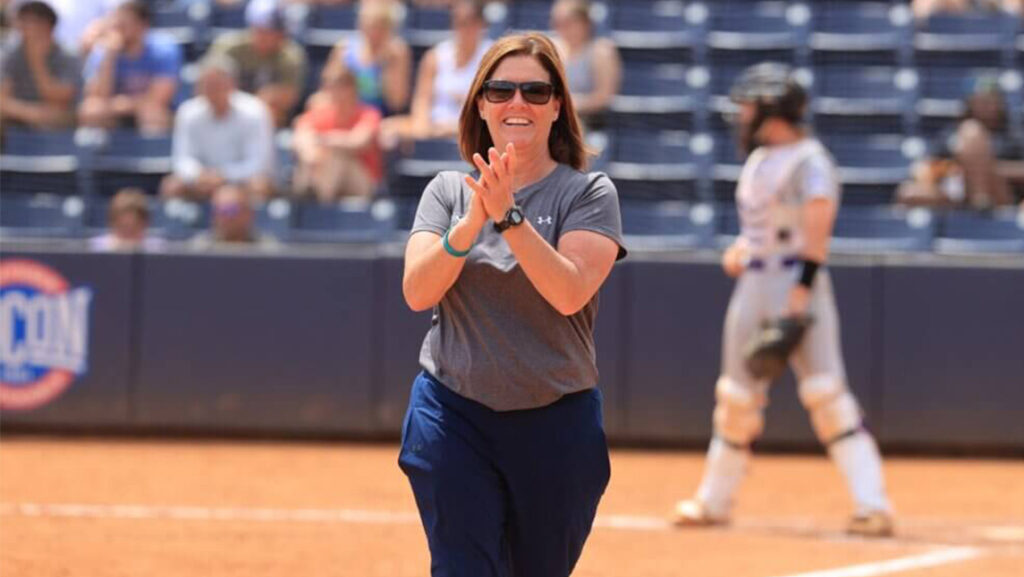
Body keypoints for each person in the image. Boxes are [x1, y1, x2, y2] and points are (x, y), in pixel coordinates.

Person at [399, 33, 626, 577]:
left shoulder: (587, 193)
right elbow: (417, 292)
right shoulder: (448, 191)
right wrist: (475, 218)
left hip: (556, 421)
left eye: (534, 91)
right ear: (480, 103)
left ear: (556, 107)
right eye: (500, 90)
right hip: (452, 410)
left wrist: (509, 218)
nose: (516, 103)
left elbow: (569, 292)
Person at [672, 63, 894, 538]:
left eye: (751, 105)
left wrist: (801, 292)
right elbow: (762, 226)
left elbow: (818, 226)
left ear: (772, 108)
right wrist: (742, 248)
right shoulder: (759, 159)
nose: (743, 114)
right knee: (735, 398)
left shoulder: (810, 159)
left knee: (826, 394)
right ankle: (714, 501)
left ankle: (873, 504)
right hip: (755, 281)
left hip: (797, 280)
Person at [160, 55, 276, 203]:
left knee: (259, 186)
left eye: (217, 85)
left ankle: (253, 225)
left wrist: (224, 176)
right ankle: (179, 224)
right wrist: (199, 175)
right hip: (201, 182)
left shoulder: (255, 111)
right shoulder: (188, 112)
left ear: (232, 84)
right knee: (172, 186)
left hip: (240, 182)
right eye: (207, 85)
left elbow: (258, 164)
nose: (212, 90)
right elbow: (182, 160)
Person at [897, 78, 1024, 210]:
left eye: (992, 101)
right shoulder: (952, 133)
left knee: (972, 132)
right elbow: (928, 165)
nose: (987, 106)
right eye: (982, 100)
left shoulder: (1013, 134)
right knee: (909, 193)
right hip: (957, 191)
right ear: (970, 102)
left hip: (999, 196)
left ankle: (980, 198)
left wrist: (987, 168)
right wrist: (952, 169)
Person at [381, 0, 492, 143]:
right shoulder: (435, 56)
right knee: (386, 129)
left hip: (474, 131)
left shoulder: (491, 58)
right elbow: (421, 101)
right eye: (458, 22)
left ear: (481, 25)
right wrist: (424, 127)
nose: (463, 28)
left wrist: (453, 128)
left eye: (469, 22)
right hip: (434, 129)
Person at [78, 0, 181, 134]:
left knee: (152, 115)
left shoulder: (163, 49)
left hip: (151, 111)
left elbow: (158, 99)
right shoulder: (104, 51)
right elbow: (96, 96)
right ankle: (103, 154)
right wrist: (109, 57)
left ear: (143, 25)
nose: (120, 29)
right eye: (117, 24)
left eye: (125, 24)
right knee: (90, 111)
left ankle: (151, 153)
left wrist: (120, 104)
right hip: (117, 110)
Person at [208, 0, 308, 128]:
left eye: (277, 32)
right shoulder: (229, 48)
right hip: (227, 113)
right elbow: (211, 85)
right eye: (264, 31)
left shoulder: (291, 55)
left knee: (272, 113)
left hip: (267, 119)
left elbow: (288, 98)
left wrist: (257, 103)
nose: (271, 37)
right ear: (253, 28)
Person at [292, 64, 382, 202]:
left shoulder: (368, 114)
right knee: (313, 155)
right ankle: (312, 197)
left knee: (336, 155)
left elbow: (358, 141)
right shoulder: (321, 113)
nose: (333, 92)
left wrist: (324, 140)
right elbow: (301, 135)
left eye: (339, 87)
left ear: (352, 89)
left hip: (362, 182)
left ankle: (317, 203)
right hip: (320, 171)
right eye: (330, 87)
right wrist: (311, 155)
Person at [316, 0, 411, 116]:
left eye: (379, 26)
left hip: (381, 116)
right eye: (368, 24)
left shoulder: (397, 52)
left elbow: (397, 102)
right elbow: (328, 89)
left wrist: (386, 64)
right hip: (347, 114)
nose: (373, 31)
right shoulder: (344, 48)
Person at [0, 0, 80, 131]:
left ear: (48, 26)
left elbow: (61, 98)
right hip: (19, 115)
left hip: (57, 117)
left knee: (58, 115)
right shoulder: (10, 53)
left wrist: (37, 62)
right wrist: (29, 112)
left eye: (30, 21)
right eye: (21, 21)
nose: (23, 27)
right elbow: (2, 98)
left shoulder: (68, 55)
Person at [550, 0, 620, 133]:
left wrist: (570, 104)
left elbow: (604, 97)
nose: (561, 27)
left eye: (568, 22)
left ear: (585, 23)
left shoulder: (601, 51)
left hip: (589, 122)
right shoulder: (552, 47)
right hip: (555, 117)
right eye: (557, 22)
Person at [191, 183, 280, 249]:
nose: (226, 216)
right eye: (221, 210)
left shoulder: (267, 249)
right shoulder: (201, 248)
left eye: (231, 210)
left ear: (249, 213)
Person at [90, 187, 165, 251]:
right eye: (123, 227)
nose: (128, 235)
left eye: (133, 229)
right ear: (112, 223)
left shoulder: (159, 249)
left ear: (145, 223)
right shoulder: (95, 248)